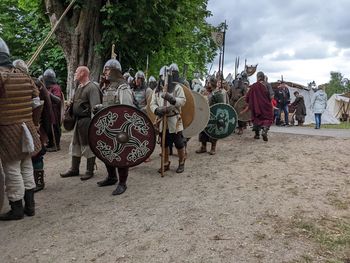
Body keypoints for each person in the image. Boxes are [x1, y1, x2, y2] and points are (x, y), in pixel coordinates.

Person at [0, 38, 41, 220]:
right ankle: (30, 206)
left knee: (12, 169)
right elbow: (36, 101)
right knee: (26, 165)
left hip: (8, 130)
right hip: (27, 128)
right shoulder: (24, 76)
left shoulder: (2, 77)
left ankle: (17, 209)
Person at [95, 59, 135, 195]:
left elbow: (127, 109)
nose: (104, 72)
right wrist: (100, 108)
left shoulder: (122, 87)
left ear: (114, 71)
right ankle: (112, 177)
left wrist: (124, 129)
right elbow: (109, 106)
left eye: (107, 69)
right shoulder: (108, 87)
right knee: (107, 152)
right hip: (108, 126)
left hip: (120, 129)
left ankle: (122, 183)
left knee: (121, 155)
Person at [60, 66, 101, 181]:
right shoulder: (79, 87)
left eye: (77, 72)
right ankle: (74, 169)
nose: (75, 74)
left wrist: (94, 125)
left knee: (88, 146)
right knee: (75, 144)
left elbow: (96, 107)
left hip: (87, 121)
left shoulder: (92, 88)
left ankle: (89, 170)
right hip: (78, 121)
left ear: (83, 73)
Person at [150, 64, 187, 173]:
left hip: (174, 120)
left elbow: (183, 101)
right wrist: (157, 110)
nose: (165, 79)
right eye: (163, 76)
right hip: (162, 120)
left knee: (179, 143)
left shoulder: (177, 87)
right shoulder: (157, 90)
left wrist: (171, 99)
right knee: (164, 143)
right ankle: (165, 163)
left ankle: (181, 162)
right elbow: (152, 103)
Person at [196, 76, 225, 155]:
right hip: (205, 114)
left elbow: (221, 106)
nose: (207, 83)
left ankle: (213, 148)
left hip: (214, 115)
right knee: (203, 131)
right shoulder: (205, 92)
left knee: (213, 131)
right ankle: (203, 147)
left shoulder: (218, 93)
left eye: (208, 82)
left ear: (212, 83)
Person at [245, 71, 273, 141]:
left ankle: (257, 135)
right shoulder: (267, 84)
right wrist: (268, 101)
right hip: (266, 106)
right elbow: (272, 96)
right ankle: (265, 130)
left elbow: (247, 97)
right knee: (268, 118)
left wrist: (250, 102)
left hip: (256, 106)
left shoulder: (254, 86)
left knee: (257, 119)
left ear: (259, 77)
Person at [43, 68, 64, 151]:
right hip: (49, 111)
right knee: (48, 128)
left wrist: (49, 94)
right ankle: (51, 143)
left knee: (55, 128)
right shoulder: (47, 87)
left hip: (55, 111)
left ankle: (56, 145)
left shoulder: (56, 87)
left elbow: (58, 100)